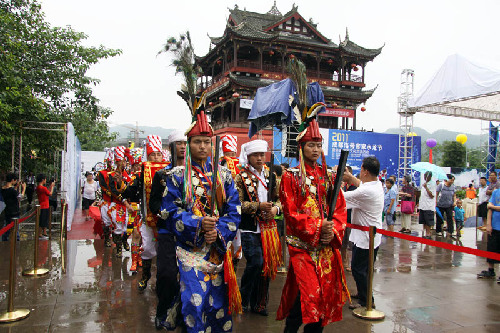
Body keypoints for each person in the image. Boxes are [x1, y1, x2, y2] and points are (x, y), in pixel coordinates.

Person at [158, 105, 242, 332]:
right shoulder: (176, 177)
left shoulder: (224, 176)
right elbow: (169, 212)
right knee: (195, 304)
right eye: (197, 141)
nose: (203, 146)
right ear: (188, 144)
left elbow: (234, 211)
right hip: (190, 252)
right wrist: (197, 224)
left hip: (217, 251)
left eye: (207, 141)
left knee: (218, 309)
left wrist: (219, 231)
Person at [278, 113, 348, 332]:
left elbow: (339, 208)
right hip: (302, 247)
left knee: (321, 299)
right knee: (311, 294)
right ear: (301, 147)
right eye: (311, 145)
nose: (316, 150)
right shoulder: (290, 177)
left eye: (318, 145)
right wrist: (319, 227)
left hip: (325, 248)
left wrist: (332, 229)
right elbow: (291, 212)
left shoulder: (327, 176)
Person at [235, 139, 281, 316]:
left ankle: (260, 303)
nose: (260, 158)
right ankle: (244, 298)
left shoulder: (271, 176)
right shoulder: (241, 177)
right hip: (250, 228)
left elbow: (279, 199)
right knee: (256, 262)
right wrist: (258, 206)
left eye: (262, 155)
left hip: (269, 229)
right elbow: (238, 204)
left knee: (266, 267)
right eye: (256, 155)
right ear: (249, 157)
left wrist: (275, 209)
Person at [147, 130, 185, 328]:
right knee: (167, 275)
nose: (182, 147)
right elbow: (153, 202)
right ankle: (162, 311)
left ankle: (181, 313)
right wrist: (162, 211)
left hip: (189, 233)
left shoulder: (195, 175)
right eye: (178, 143)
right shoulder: (161, 175)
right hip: (167, 231)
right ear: (171, 147)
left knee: (188, 277)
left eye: (185, 143)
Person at [342, 156, 384, 310]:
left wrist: (339, 182)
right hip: (372, 235)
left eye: (361, 169)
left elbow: (341, 199)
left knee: (358, 269)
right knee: (365, 269)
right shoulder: (377, 184)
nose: (359, 172)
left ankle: (366, 301)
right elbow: (361, 185)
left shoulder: (366, 191)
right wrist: (351, 178)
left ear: (365, 171)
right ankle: (363, 294)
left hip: (366, 238)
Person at [107, 146, 131, 256]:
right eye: (122, 160)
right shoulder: (112, 175)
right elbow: (113, 191)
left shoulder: (128, 174)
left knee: (128, 226)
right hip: (118, 204)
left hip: (128, 204)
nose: (124, 163)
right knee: (118, 227)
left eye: (125, 160)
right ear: (117, 162)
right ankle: (118, 248)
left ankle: (124, 240)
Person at [477, 187, 500, 283]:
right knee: (491, 248)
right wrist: (488, 224)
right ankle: (491, 271)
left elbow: (491, 206)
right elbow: (488, 208)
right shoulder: (496, 192)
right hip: (494, 226)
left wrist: (492, 207)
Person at [98, 147, 115, 247]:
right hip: (106, 200)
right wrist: (110, 192)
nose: (110, 163)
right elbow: (103, 186)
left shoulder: (118, 172)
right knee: (105, 221)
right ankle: (107, 238)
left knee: (116, 221)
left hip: (116, 201)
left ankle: (116, 239)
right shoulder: (102, 173)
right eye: (109, 161)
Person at [1, 173, 26, 241]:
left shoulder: (2, 189)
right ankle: (16, 244)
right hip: (14, 213)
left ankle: (4, 243)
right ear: (12, 180)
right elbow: (20, 197)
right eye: (15, 180)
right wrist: (24, 189)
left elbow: (11, 197)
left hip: (6, 212)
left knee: (6, 229)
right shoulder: (12, 190)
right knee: (15, 230)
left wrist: (16, 187)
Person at [36, 173, 55, 239]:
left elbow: (47, 192)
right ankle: (40, 233)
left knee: (44, 220)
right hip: (44, 206)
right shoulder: (42, 188)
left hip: (43, 205)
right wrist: (52, 187)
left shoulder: (39, 187)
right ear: (43, 180)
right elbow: (50, 193)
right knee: (43, 220)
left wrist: (50, 187)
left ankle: (44, 232)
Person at [419, 171, 436, 239]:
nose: (424, 177)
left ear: (429, 176)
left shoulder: (432, 184)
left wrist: (426, 188)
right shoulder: (424, 184)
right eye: (424, 175)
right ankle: (425, 233)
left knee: (428, 221)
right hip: (423, 205)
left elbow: (432, 195)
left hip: (428, 206)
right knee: (424, 220)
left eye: (426, 176)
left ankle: (428, 233)